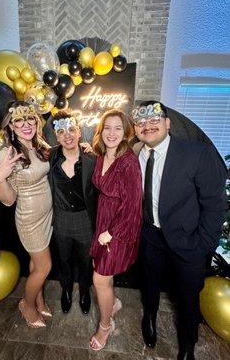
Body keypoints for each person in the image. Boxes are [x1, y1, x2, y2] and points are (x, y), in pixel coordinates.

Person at [132, 101, 227, 360]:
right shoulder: (134, 153)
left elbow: (214, 203)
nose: (147, 126)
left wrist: (204, 245)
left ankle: (187, 347)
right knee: (149, 283)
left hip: (188, 242)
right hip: (150, 235)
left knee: (187, 298)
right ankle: (149, 317)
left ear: (167, 123)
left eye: (154, 120)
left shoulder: (196, 153)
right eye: (141, 123)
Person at [0, 101, 53, 328]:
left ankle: (38, 299)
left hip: (47, 215)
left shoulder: (39, 144)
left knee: (36, 263)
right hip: (29, 219)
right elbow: (8, 200)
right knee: (44, 267)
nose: (25, 124)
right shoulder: (8, 154)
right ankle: (27, 305)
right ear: (11, 126)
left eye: (29, 118)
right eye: (18, 120)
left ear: (36, 120)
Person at [89, 109, 143, 351]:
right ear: (101, 131)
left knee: (99, 279)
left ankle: (105, 325)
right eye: (107, 128)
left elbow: (133, 207)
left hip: (118, 228)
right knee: (102, 274)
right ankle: (113, 303)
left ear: (126, 133)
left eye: (118, 128)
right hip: (103, 221)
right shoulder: (102, 155)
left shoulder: (129, 162)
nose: (112, 133)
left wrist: (111, 232)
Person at [48, 110, 97, 314]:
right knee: (64, 259)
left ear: (79, 132)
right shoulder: (50, 156)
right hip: (61, 219)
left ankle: (85, 290)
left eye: (71, 129)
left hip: (84, 219)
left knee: (85, 261)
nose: (67, 135)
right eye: (61, 132)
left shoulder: (92, 159)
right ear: (56, 136)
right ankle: (66, 289)